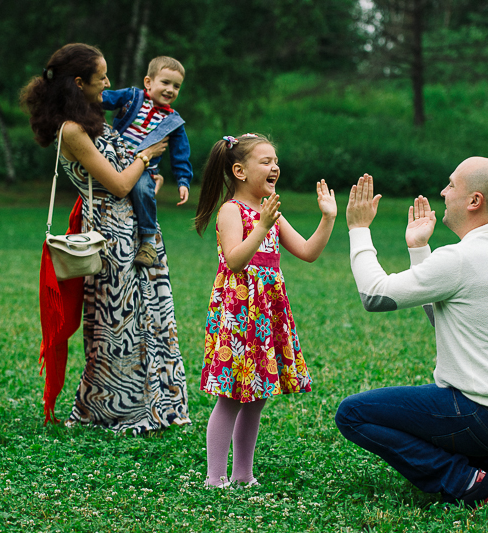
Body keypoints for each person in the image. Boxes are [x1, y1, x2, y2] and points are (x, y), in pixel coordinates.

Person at [336, 158, 488, 507]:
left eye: (451, 185)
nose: (444, 193)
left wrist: (358, 229)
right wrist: (418, 249)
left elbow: (374, 296)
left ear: (474, 201)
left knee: (353, 414)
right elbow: (442, 315)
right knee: (433, 407)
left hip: (486, 418)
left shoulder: (461, 258)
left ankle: (464, 481)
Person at [20, 43, 191, 435]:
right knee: (118, 325)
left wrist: (149, 178)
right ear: (80, 82)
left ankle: (158, 404)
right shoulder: (71, 130)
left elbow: (126, 173)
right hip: (111, 238)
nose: (109, 83)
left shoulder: (92, 118)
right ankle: (116, 407)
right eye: (102, 77)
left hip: (137, 232)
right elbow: (117, 185)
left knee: (149, 317)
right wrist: (146, 157)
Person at [195, 133, 337, 486]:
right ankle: (215, 477)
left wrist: (328, 218)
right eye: (266, 161)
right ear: (240, 171)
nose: (275, 167)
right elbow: (235, 260)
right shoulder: (232, 211)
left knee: (256, 397)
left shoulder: (270, 211)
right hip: (239, 314)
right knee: (230, 396)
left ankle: (243, 475)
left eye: (276, 161)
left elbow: (308, 251)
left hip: (266, 315)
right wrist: (261, 227)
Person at [102, 56, 193, 268]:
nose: (170, 90)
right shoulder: (133, 97)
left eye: (176, 86)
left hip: (144, 168)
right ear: (148, 82)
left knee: (143, 190)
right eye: (165, 82)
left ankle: (149, 242)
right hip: (115, 160)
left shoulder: (173, 121)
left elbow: (180, 153)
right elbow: (106, 98)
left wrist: (183, 181)